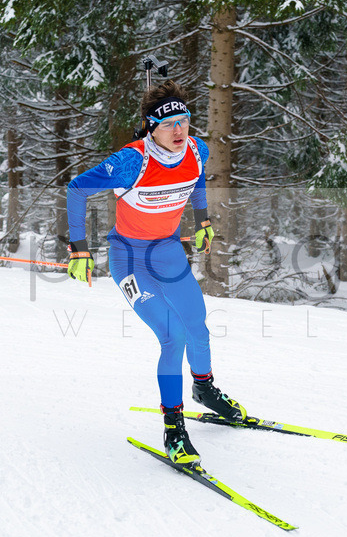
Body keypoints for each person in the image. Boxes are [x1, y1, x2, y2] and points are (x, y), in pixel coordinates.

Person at [65, 80, 247, 464]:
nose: (179, 130)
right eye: (169, 124)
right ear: (151, 127)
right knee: (173, 335)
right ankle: (174, 429)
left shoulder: (196, 148)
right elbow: (77, 188)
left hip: (167, 253)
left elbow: (195, 178)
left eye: (183, 120)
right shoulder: (133, 161)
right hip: (129, 260)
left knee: (197, 323)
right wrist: (79, 248)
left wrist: (203, 221)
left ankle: (204, 389)